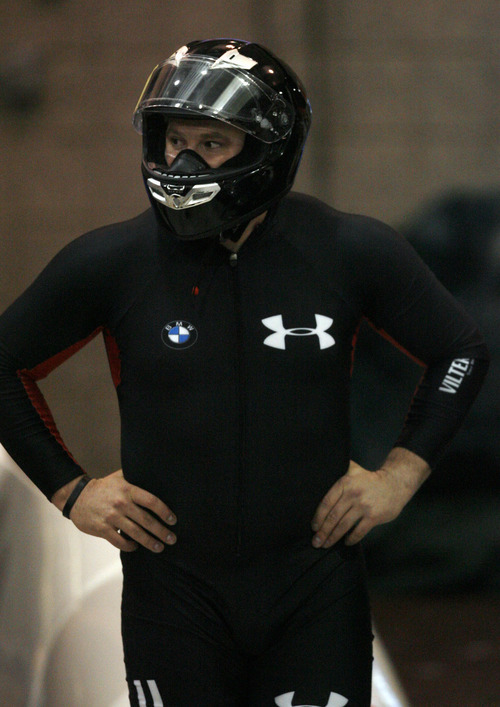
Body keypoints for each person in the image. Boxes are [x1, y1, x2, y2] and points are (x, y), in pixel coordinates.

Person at [0, 38, 489, 707]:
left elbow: (460, 349)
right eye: (175, 139)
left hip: (313, 592)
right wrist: (71, 490)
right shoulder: (110, 262)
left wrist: (399, 478)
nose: (185, 161)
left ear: (268, 152)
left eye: (213, 142)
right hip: (173, 599)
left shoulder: (348, 250)